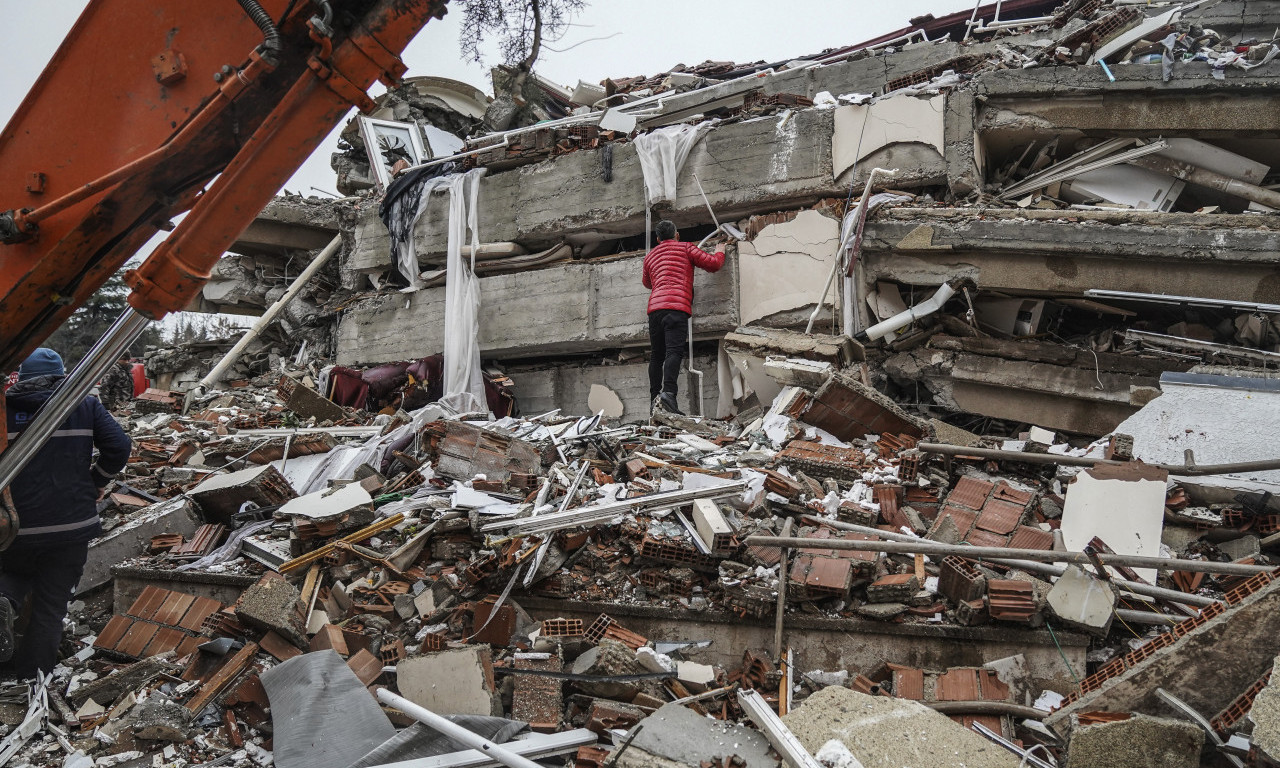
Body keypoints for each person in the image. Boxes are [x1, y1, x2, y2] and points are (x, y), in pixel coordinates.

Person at [0, 348, 131, 678]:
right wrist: (96, 481)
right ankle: (33, 683)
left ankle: (6, 601)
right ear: (63, 375)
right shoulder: (83, 404)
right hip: (71, 525)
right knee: (50, 607)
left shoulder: (3, 409)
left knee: (12, 575)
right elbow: (119, 446)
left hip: (14, 526)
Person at [642, 220, 726, 415]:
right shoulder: (686, 248)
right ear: (677, 235)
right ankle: (669, 394)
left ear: (657, 239)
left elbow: (647, 283)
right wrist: (720, 250)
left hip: (654, 310)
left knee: (657, 355)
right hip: (676, 308)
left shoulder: (650, 256)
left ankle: (655, 399)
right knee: (673, 352)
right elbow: (714, 264)